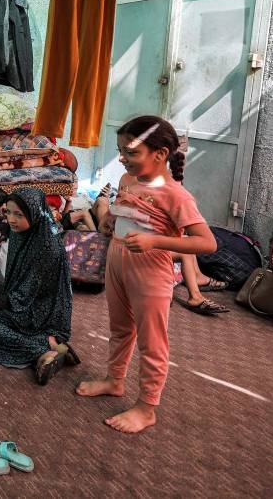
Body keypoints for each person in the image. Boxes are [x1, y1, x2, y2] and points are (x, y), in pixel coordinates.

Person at [78, 116, 216, 433]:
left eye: (131, 153)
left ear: (160, 154)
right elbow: (124, 209)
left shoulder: (175, 195)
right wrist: (112, 218)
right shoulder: (128, 181)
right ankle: (115, 380)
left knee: (153, 342)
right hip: (117, 260)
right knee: (120, 328)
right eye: (121, 152)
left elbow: (206, 243)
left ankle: (147, 407)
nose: (123, 159)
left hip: (151, 271)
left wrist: (156, 240)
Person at [0, 188, 77, 386]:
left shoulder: (48, 249)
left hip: (41, 315)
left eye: (19, 214)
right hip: (21, 305)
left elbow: (19, 297)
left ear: (35, 214)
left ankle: (42, 347)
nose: (11, 219)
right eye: (8, 212)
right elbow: (15, 291)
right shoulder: (21, 234)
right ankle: (48, 347)